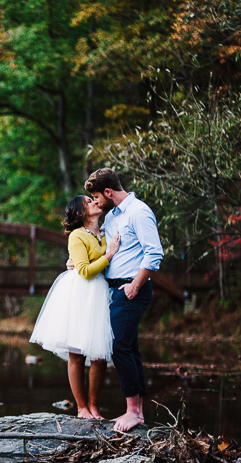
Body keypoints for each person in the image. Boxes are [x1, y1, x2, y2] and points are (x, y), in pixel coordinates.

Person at [70, 168, 164, 432]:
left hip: (131, 288)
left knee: (120, 347)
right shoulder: (111, 218)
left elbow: (154, 253)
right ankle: (137, 410)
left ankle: (133, 412)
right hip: (112, 289)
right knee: (129, 347)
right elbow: (97, 248)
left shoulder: (138, 212)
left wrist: (135, 285)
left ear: (109, 192)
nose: (96, 202)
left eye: (97, 197)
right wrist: (75, 261)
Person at [30, 195, 120, 419]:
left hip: (101, 293)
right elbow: (84, 270)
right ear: (81, 213)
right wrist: (109, 254)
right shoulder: (77, 236)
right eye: (89, 202)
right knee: (77, 353)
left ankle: (94, 406)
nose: (94, 202)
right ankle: (81, 408)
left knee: (100, 355)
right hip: (80, 293)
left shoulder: (108, 231)